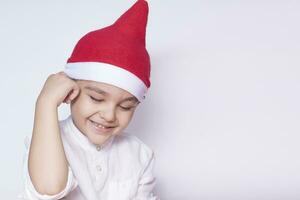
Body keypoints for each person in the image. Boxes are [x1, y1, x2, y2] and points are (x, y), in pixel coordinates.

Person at [19, 1, 158, 199]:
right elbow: (49, 189)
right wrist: (45, 102)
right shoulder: (46, 138)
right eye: (96, 98)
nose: (109, 115)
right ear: (70, 91)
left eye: (125, 106)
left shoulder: (139, 155)